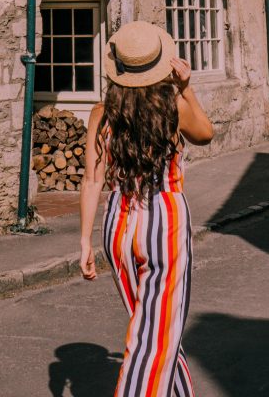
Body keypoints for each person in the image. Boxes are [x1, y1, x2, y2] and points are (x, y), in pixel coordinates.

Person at [79, 20, 214, 397]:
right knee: (153, 340)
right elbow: (206, 133)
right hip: (164, 227)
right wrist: (187, 89)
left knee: (154, 330)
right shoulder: (172, 108)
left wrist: (84, 242)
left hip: (117, 229)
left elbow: (91, 180)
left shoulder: (101, 114)